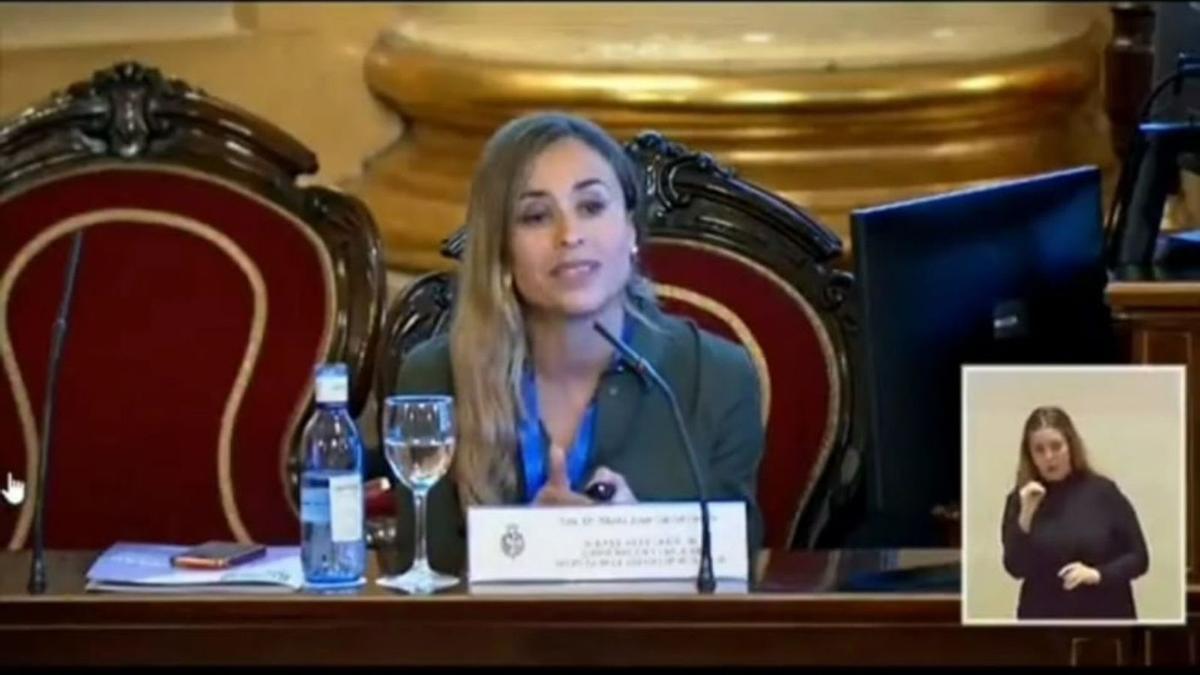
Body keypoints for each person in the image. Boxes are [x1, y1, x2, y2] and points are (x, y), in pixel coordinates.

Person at [387, 112, 766, 576]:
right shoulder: (433, 378)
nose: (570, 235)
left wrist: (635, 542)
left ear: (630, 229)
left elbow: (738, 568)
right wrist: (533, 548)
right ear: (501, 251)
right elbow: (423, 577)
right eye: (536, 216)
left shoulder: (719, 377)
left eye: (591, 206)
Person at [1000, 406, 1149, 620]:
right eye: (1039, 450)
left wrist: (1097, 575)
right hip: (1044, 624)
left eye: (1056, 446)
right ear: (1030, 455)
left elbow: (1139, 558)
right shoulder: (1022, 499)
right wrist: (1025, 516)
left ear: (1071, 446)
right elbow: (1015, 568)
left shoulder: (1102, 492)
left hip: (1104, 615)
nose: (1049, 457)